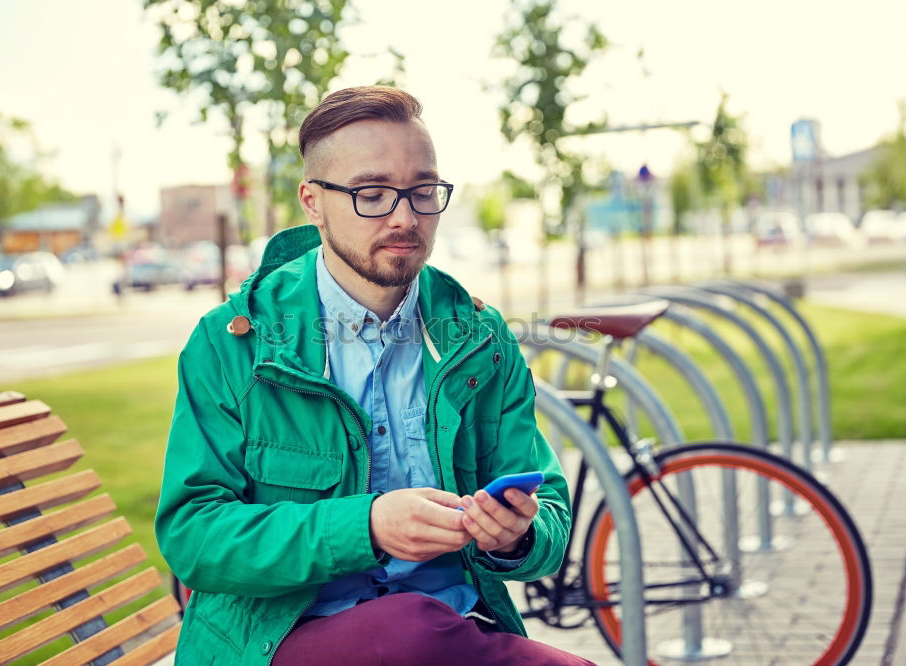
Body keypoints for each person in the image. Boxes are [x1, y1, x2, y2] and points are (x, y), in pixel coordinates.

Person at [156, 86, 590, 665]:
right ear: (313, 202)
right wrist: (366, 527)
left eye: (422, 191)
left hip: (449, 629)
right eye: (372, 193)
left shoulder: (482, 340)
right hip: (280, 638)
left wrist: (514, 536)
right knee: (409, 629)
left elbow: (551, 515)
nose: (405, 217)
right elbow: (193, 535)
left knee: (421, 630)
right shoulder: (233, 342)